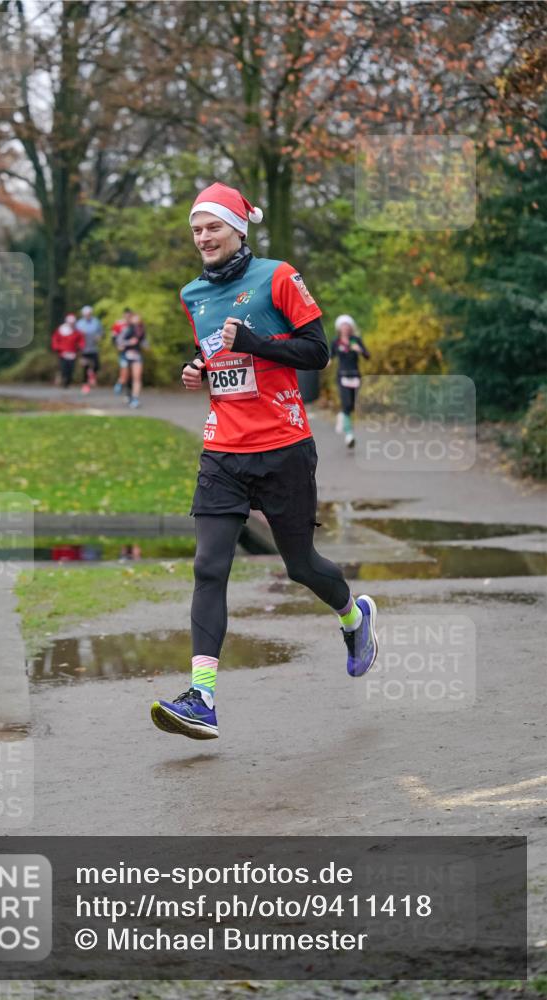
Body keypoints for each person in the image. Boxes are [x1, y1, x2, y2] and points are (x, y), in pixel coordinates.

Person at [150, 182, 379, 741]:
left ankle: (354, 617)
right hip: (223, 449)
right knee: (209, 567)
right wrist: (198, 369)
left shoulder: (279, 276)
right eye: (196, 230)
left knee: (301, 566)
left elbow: (317, 352)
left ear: (237, 229)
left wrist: (257, 343)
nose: (204, 237)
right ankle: (202, 696)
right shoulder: (192, 294)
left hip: (283, 446)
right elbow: (215, 351)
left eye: (213, 227)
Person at [331, 314, 370, 449]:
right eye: (343, 326)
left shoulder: (356, 340)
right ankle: (349, 435)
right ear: (339, 328)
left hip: (355, 376)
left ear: (351, 327)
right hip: (342, 376)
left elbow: (367, 355)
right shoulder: (336, 342)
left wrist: (360, 350)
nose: (345, 328)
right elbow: (330, 356)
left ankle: (342, 416)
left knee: (353, 406)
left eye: (347, 326)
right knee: (346, 404)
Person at [111, 307, 145, 408]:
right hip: (125, 355)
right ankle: (120, 384)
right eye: (135, 317)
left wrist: (145, 345)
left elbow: (143, 341)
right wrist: (128, 343)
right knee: (125, 377)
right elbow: (118, 341)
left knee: (137, 377)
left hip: (137, 355)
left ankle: (135, 399)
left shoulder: (141, 329)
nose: (137, 319)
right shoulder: (126, 329)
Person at [51, 313, 84, 388]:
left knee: (71, 368)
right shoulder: (61, 329)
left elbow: (81, 340)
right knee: (64, 368)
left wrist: (80, 346)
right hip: (63, 353)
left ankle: (68, 381)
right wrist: (56, 347)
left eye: (73, 323)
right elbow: (55, 339)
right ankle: (64, 379)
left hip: (72, 353)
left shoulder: (77, 331)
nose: (72, 324)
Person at [76, 305, 103, 393]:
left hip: (94, 347)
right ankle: (85, 385)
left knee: (97, 365)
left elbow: (101, 332)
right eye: (86, 314)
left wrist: (99, 337)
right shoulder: (79, 323)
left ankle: (92, 374)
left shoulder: (96, 322)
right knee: (85, 366)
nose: (87, 315)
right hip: (83, 348)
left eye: (89, 313)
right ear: (83, 314)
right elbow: (75, 336)